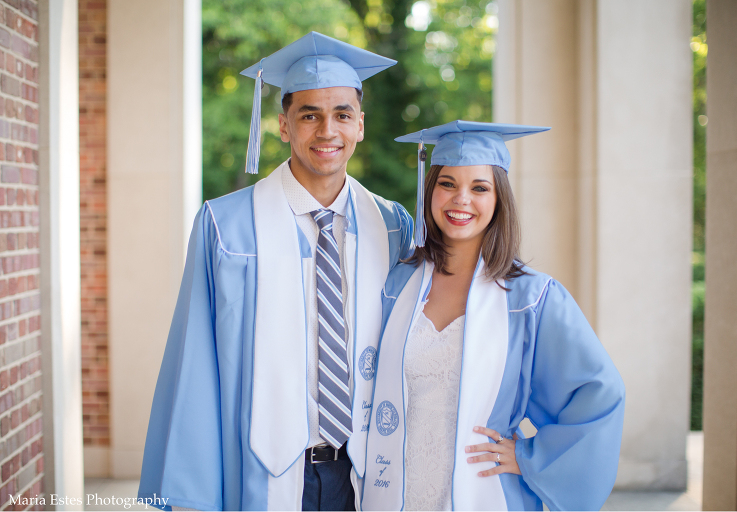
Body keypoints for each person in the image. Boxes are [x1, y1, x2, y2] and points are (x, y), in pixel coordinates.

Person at [137, 32, 413, 511]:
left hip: (371, 469)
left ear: (361, 125)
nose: (327, 130)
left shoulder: (391, 226)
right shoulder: (226, 227)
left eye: (342, 114)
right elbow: (194, 362)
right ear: (283, 125)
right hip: (260, 469)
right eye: (309, 115)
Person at [361, 121, 625, 511]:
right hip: (394, 491)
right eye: (447, 183)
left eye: (479, 188)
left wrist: (532, 457)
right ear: (429, 190)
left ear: (499, 199)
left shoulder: (531, 298)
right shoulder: (397, 284)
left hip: (483, 493)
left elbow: (599, 393)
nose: (460, 199)